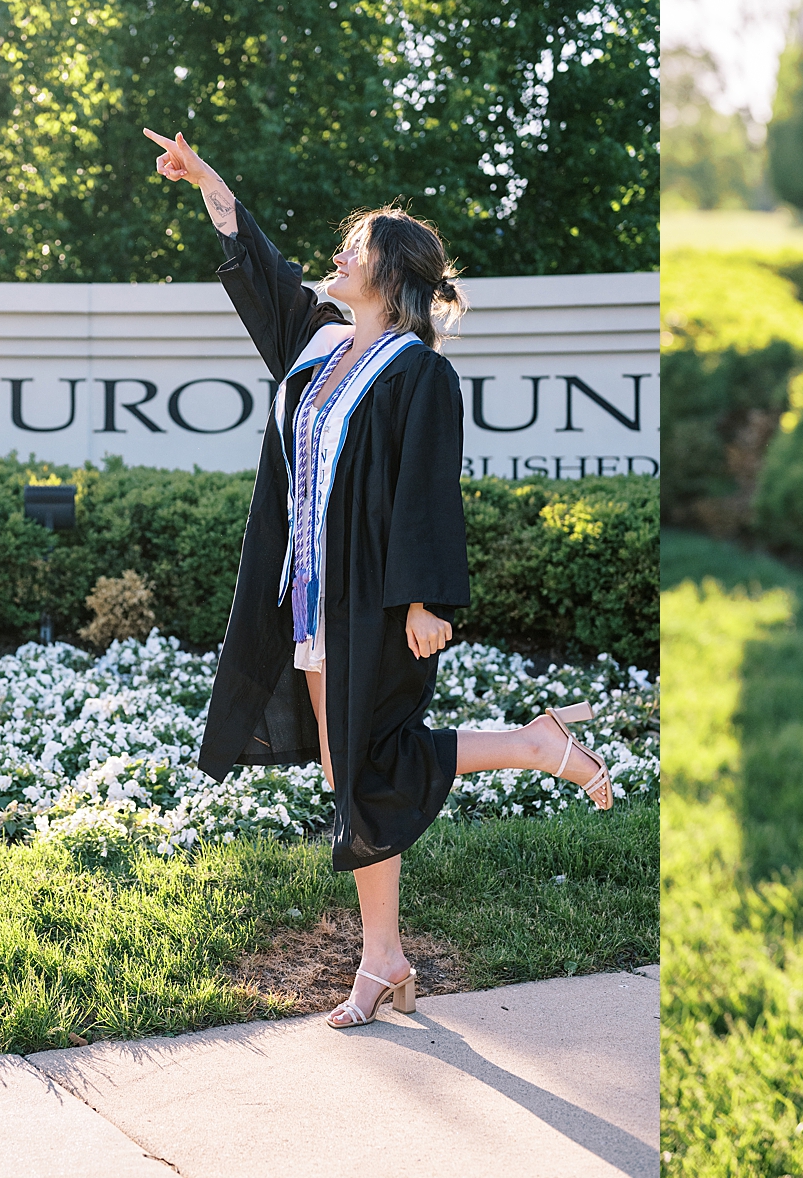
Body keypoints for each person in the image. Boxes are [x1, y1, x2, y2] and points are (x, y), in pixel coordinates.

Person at [144, 127, 616, 1029]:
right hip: (310, 597)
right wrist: (208, 178)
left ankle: (532, 748)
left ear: (391, 275)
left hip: (378, 601)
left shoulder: (418, 376)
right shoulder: (317, 347)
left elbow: (428, 491)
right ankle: (387, 959)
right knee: (345, 769)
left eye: (355, 248)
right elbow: (259, 264)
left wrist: (430, 599)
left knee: (366, 761)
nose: (338, 254)